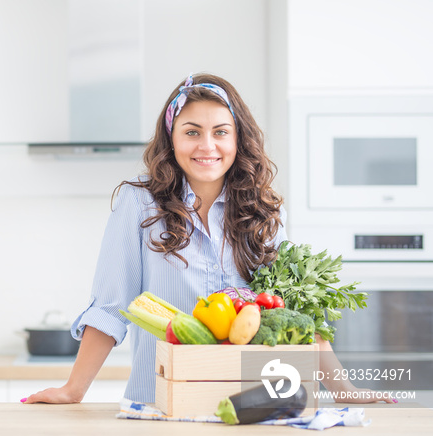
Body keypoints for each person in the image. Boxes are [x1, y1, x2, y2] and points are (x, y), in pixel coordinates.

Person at [23, 73, 393, 405]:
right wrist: (74, 390)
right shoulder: (139, 204)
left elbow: (294, 310)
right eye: (192, 131)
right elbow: (109, 307)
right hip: (161, 402)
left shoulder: (262, 212)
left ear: (237, 138)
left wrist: (345, 390)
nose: (207, 145)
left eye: (220, 132)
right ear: (172, 138)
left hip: (248, 404)